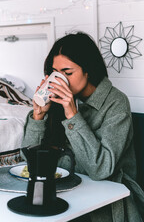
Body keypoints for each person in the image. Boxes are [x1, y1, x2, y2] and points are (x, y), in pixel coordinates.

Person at [22, 32, 144, 221]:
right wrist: (38, 116)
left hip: (106, 200)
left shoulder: (116, 103)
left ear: (89, 71)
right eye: (55, 73)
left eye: (67, 73)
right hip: (62, 191)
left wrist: (72, 115)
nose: (59, 80)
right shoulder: (55, 102)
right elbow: (28, 162)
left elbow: (100, 169)